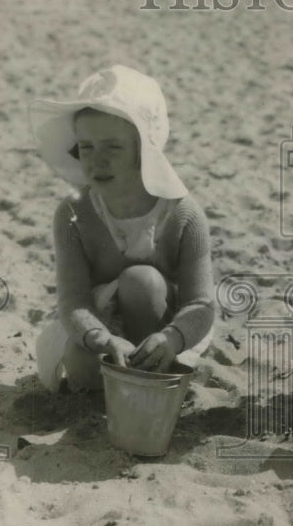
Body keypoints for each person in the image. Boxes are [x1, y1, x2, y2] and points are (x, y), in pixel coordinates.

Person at [30, 65, 215, 392]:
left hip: (164, 327)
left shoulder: (183, 215)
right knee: (81, 369)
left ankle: (148, 373)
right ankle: (121, 379)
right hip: (101, 324)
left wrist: (171, 339)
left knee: (141, 280)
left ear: (144, 152)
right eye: (86, 147)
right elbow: (73, 301)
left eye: (113, 147)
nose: (97, 160)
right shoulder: (73, 213)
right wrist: (101, 339)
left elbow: (201, 304)